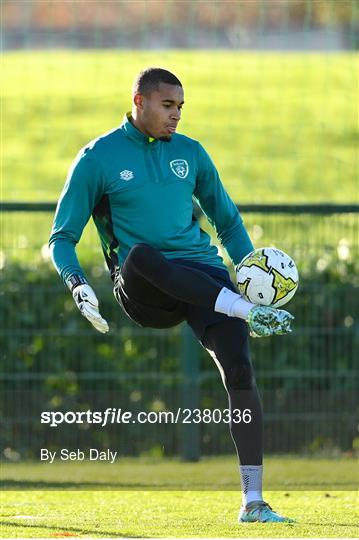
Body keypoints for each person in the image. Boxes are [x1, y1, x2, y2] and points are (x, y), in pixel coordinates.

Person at [49, 67, 294, 523]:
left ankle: (253, 501)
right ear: (138, 101)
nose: (176, 115)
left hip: (203, 278)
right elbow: (61, 237)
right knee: (140, 255)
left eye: (181, 106)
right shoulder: (97, 158)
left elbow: (228, 222)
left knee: (240, 369)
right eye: (168, 105)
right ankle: (241, 310)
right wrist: (76, 282)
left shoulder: (192, 154)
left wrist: (250, 275)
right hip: (144, 288)